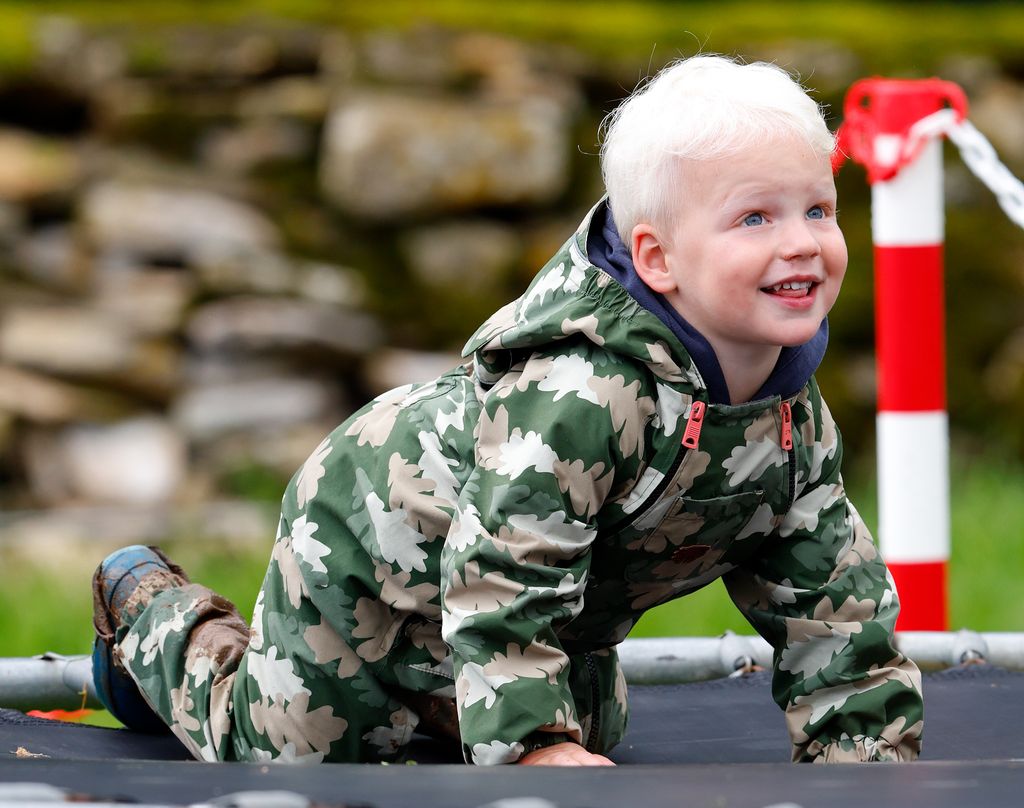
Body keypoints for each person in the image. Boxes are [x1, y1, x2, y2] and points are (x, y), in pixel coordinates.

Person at [91, 54, 924, 767]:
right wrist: (532, 749)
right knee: (288, 752)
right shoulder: (582, 397)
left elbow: (832, 597)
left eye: (818, 209)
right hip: (371, 547)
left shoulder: (792, 416)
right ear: (657, 258)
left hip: (550, 608)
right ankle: (155, 618)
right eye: (755, 217)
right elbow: (503, 574)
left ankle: (452, 702)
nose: (802, 242)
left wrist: (865, 757)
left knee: (590, 727)